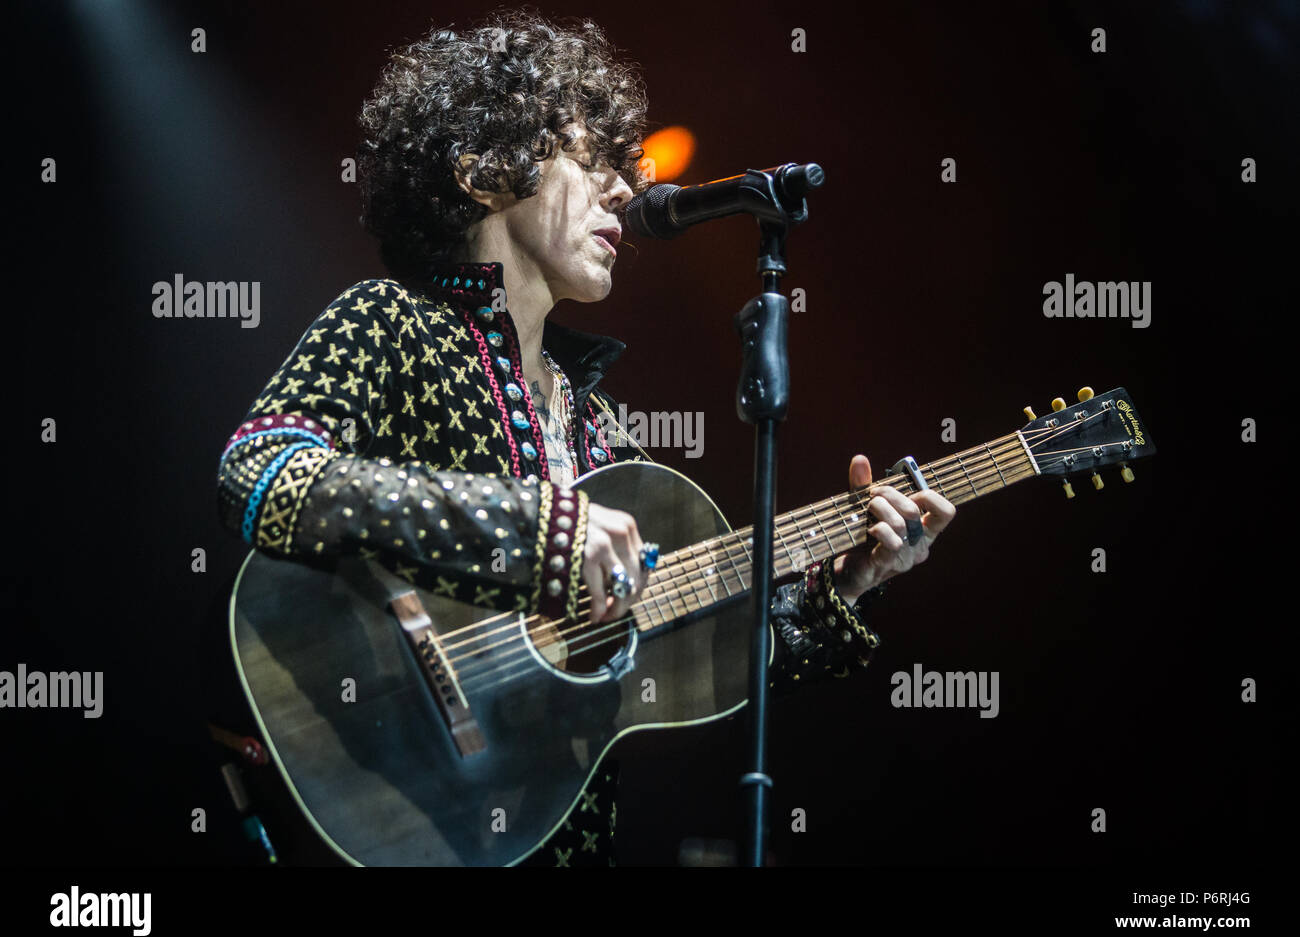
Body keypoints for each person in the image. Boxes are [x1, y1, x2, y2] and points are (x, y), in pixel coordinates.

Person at [216, 9, 955, 867]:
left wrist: (846, 584)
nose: (625, 191)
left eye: (625, 169)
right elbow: (262, 472)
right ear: (484, 173)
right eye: (591, 161)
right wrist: (538, 526)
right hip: (399, 797)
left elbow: (684, 666)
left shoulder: (598, 425)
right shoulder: (391, 323)